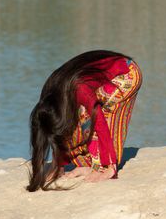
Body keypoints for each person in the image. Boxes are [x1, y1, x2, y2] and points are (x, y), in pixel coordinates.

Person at [27, 50, 142, 191]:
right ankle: (88, 164)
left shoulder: (79, 89)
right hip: (95, 82)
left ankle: (103, 166)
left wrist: (110, 167)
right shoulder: (48, 97)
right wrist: (58, 165)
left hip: (126, 72)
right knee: (78, 120)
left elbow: (100, 123)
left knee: (94, 114)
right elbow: (55, 133)